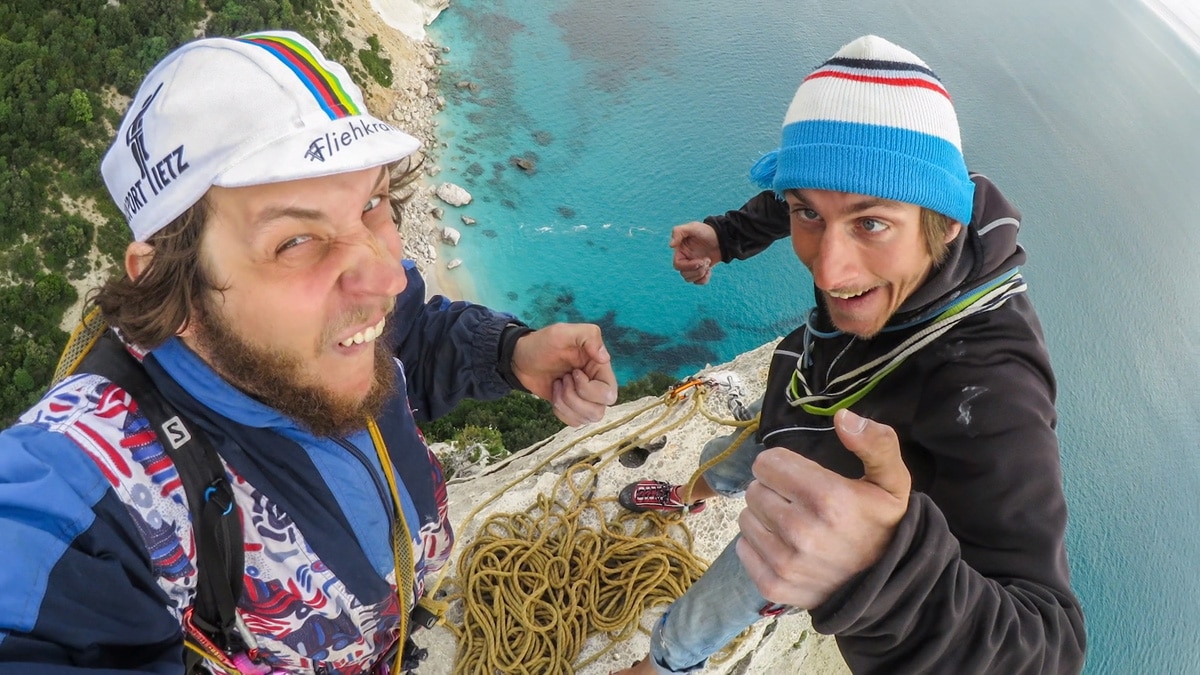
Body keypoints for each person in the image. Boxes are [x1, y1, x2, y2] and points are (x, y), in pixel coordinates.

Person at [0, 31, 618, 673]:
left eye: (373, 203)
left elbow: (409, 337)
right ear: (175, 288)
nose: (386, 277)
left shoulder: (339, 321)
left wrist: (510, 354)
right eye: (295, 241)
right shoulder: (95, 491)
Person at [615, 35, 1086, 673]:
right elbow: (821, 189)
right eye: (809, 216)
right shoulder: (924, 197)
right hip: (804, 401)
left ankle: (668, 662)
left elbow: (1048, 648)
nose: (831, 270)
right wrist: (727, 236)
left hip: (822, 503)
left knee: (732, 589)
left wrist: (877, 565)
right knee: (725, 463)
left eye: (869, 224)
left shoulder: (989, 382)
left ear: (945, 224)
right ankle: (692, 495)